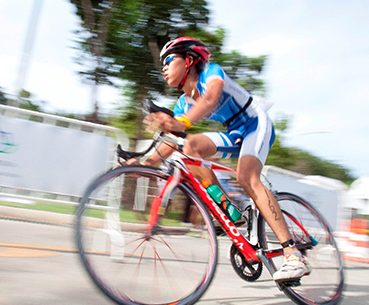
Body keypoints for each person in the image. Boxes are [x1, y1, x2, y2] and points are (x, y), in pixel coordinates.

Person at [125, 37, 310, 282]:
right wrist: (145, 164)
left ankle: (293, 255)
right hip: (234, 133)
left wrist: (181, 123)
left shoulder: (211, 72)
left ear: (189, 60)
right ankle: (228, 209)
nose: (164, 68)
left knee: (247, 178)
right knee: (188, 144)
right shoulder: (183, 102)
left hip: (256, 123)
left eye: (169, 60)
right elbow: (172, 141)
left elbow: (211, 99)